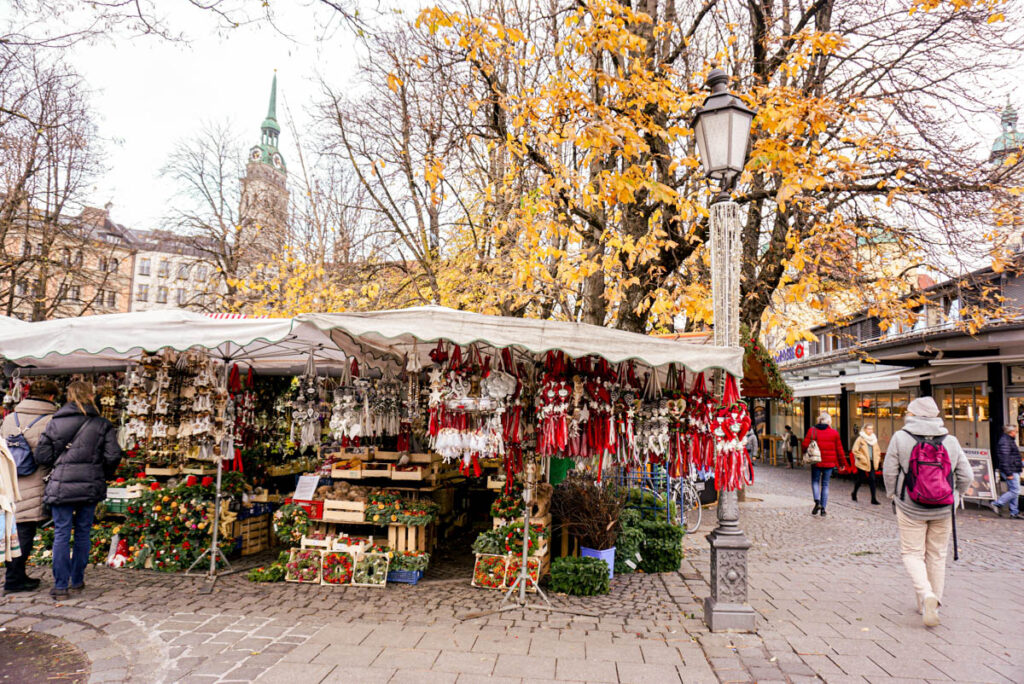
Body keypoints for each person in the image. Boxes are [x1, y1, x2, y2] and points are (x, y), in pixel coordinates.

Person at [883, 396, 971, 628]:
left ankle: (925, 596)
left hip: (910, 505)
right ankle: (933, 602)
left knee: (912, 553)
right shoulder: (950, 441)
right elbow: (967, 475)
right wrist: (957, 496)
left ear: (912, 415)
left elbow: (889, 471)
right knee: (937, 555)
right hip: (944, 507)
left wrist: (892, 494)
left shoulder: (901, 437)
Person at [34, 382, 122, 599]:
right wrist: (102, 472)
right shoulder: (102, 424)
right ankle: (77, 580)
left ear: (68, 396)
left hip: (62, 484)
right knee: (83, 532)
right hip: (90, 483)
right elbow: (113, 455)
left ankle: (61, 586)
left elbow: (42, 456)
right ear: (92, 396)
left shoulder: (55, 423)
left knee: (61, 534)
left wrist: (61, 462)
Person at [1, 380, 59, 593]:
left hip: (8, 480)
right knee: (25, 530)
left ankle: (16, 575)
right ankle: (14, 580)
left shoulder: (9, 419)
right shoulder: (51, 420)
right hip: (34, 480)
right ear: (51, 397)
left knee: (11, 530)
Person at [803, 413, 845, 517]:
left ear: (819, 420)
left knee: (815, 481)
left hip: (816, 461)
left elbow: (804, 445)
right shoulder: (834, 433)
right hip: (830, 463)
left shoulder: (812, 431)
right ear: (829, 422)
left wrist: (806, 452)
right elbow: (839, 450)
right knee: (825, 484)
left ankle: (817, 501)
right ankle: (823, 509)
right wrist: (842, 463)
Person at [990, 424, 1022, 519]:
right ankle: (997, 503)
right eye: (1016, 431)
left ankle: (1014, 512)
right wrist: (1009, 473)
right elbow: (1004, 458)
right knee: (1015, 491)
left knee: (1013, 490)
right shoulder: (1005, 442)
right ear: (1011, 432)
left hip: (1013, 468)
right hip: (1011, 469)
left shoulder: (1008, 440)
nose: (1016, 433)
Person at [851, 423, 881, 505]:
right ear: (865, 429)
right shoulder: (860, 439)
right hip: (862, 462)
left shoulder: (874, 439)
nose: (870, 431)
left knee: (872, 479)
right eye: (868, 429)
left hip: (872, 462)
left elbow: (877, 450)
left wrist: (877, 459)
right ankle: (854, 493)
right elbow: (854, 450)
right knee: (861, 479)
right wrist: (862, 457)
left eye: (871, 429)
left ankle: (873, 499)